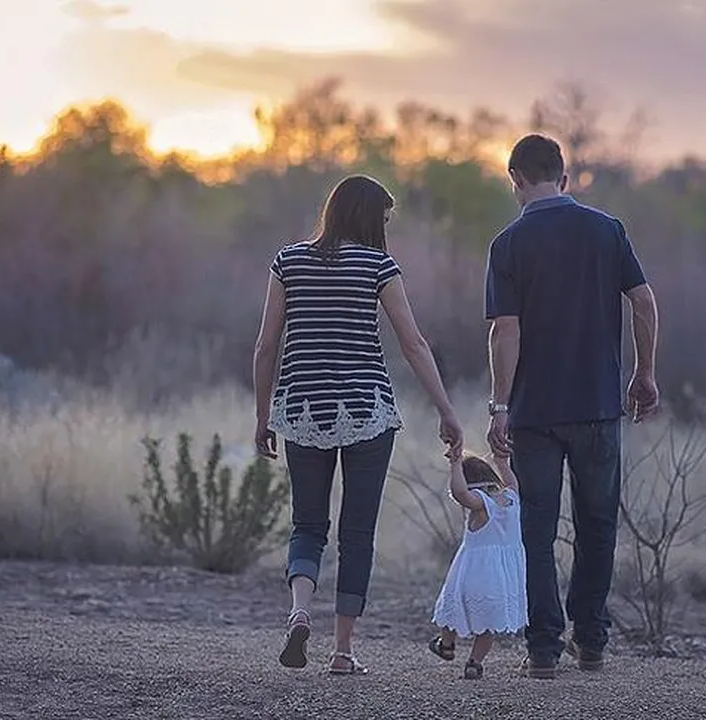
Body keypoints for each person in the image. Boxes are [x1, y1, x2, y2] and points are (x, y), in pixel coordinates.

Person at [252, 174, 463, 676]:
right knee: (357, 533)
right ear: (369, 218)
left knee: (307, 524)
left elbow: (265, 346)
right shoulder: (378, 265)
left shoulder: (288, 261)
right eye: (384, 219)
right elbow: (413, 345)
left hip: (302, 411)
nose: (385, 229)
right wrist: (446, 410)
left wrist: (263, 416)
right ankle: (342, 651)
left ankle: (300, 611)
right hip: (367, 411)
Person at [483, 134, 660, 679]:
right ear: (564, 177)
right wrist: (644, 372)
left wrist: (499, 405)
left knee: (536, 530)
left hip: (535, 413)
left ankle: (543, 649)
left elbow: (504, 332)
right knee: (598, 524)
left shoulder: (508, 244)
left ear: (514, 179)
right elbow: (644, 301)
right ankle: (591, 640)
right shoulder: (607, 231)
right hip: (598, 406)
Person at [428, 451, 527, 680]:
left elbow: (460, 493)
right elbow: (511, 480)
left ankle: (447, 644)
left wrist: (454, 465)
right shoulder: (511, 497)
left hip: (473, 573)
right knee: (488, 623)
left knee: (451, 608)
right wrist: (502, 462)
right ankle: (474, 663)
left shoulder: (481, 504)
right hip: (502, 577)